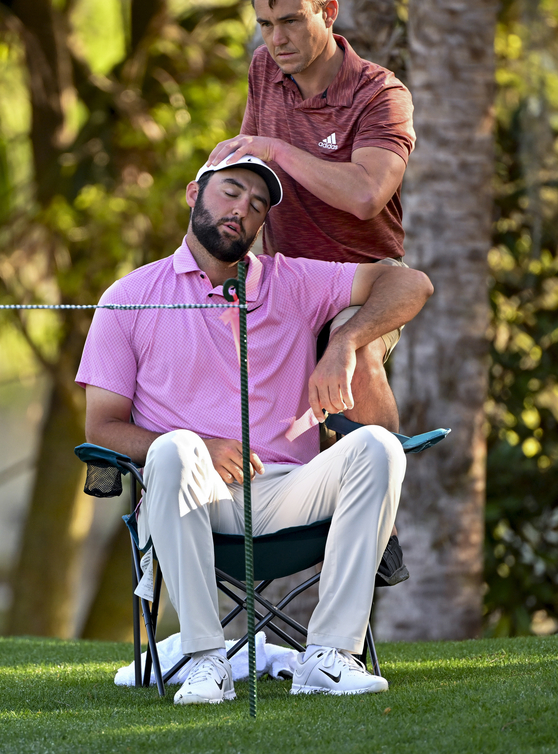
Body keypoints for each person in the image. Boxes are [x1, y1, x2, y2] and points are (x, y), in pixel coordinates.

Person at [76, 153, 433, 705]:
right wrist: (201, 448)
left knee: (380, 447)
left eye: (257, 204)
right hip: (190, 495)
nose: (241, 209)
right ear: (195, 194)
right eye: (230, 191)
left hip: (288, 488)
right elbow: (101, 429)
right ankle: (205, 660)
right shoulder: (129, 296)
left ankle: (330, 655)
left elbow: (409, 285)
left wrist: (344, 342)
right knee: (173, 450)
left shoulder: (295, 281)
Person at [208, 0, 416, 580]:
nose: (277, 39)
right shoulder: (262, 72)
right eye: (265, 25)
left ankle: (380, 530)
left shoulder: (381, 93)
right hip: (284, 281)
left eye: (291, 21)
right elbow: (252, 170)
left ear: (328, 11)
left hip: (363, 284)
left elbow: (365, 195)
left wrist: (273, 146)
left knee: (351, 355)